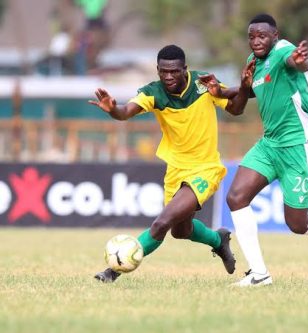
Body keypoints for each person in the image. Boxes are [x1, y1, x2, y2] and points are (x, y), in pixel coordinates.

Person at [89, 44, 254, 282]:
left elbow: (236, 109)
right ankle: (219, 240)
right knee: (180, 230)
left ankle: (113, 271)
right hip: (176, 170)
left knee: (162, 223)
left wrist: (242, 88)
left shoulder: (203, 83)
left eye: (174, 71)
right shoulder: (153, 92)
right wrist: (113, 110)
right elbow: (126, 112)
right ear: (157, 70)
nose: (168, 77)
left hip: (205, 168)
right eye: (163, 71)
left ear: (185, 69)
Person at [220, 14, 308, 286]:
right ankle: (259, 273)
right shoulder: (252, 63)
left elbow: (297, 62)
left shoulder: (283, 51)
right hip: (269, 144)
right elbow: (256, 89)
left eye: (262, 36)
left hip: (298, 147)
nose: (256, 41)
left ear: (275, 36)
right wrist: (222, 91)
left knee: (296, 224)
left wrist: (301, 62)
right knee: (236, 197)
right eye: (251, 37)